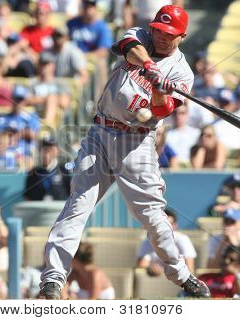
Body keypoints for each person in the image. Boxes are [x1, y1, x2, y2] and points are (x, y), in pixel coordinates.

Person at [38, 5, 210, 299]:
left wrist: (159, 89)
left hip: (137, 143)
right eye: (158, 30)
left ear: (181, 36)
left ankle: (180, 273)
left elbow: (160, 111)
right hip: (100, 133)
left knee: (153, 216)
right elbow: (128, 46)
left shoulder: (182, 73)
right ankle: (53, 280)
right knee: (77, 204)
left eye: (169, 34)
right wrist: (150, 67)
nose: (160, 37)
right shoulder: (142, 36)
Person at [138, 208, 196, 275]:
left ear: (175, 226)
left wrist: (163, 271)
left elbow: (190, 267)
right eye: (163, 225)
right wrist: (150, 267)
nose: (166, 228)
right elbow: (142, 265)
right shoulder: (148, 241)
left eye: (169, 224)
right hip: (154, 281)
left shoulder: (183, 239)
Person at [207, 209, 240, 279]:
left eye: (232, 222)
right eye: (226, 222)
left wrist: (235, 246)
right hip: (221, 278)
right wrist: (223, 244)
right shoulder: (214, 239)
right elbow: (210, 269)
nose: (228, 226)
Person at [24, 136, 72, 201]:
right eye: (43, 149)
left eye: (50, 149)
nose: (46, 152)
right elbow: (28, 198)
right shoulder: (33, 173)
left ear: (57, 151)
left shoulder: (64, 172)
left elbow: (71, 194)